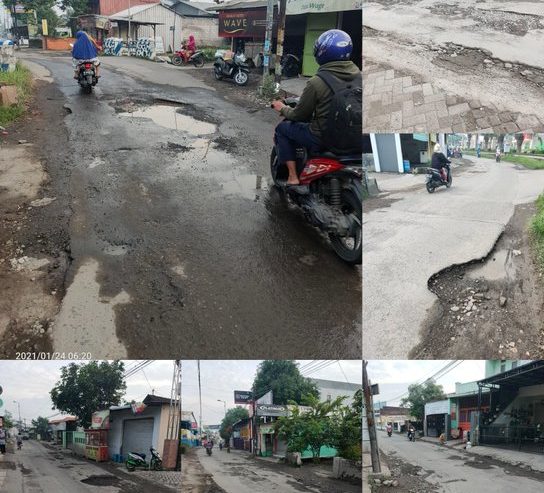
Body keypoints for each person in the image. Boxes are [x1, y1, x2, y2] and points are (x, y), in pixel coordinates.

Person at [271, 29, 360, 186]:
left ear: (322, 52)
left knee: (282, 129)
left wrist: (282, 108)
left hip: (323, 138)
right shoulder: (360, 76)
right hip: (355, 137)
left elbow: (299, 115)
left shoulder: (317, 82)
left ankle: (292, 177)